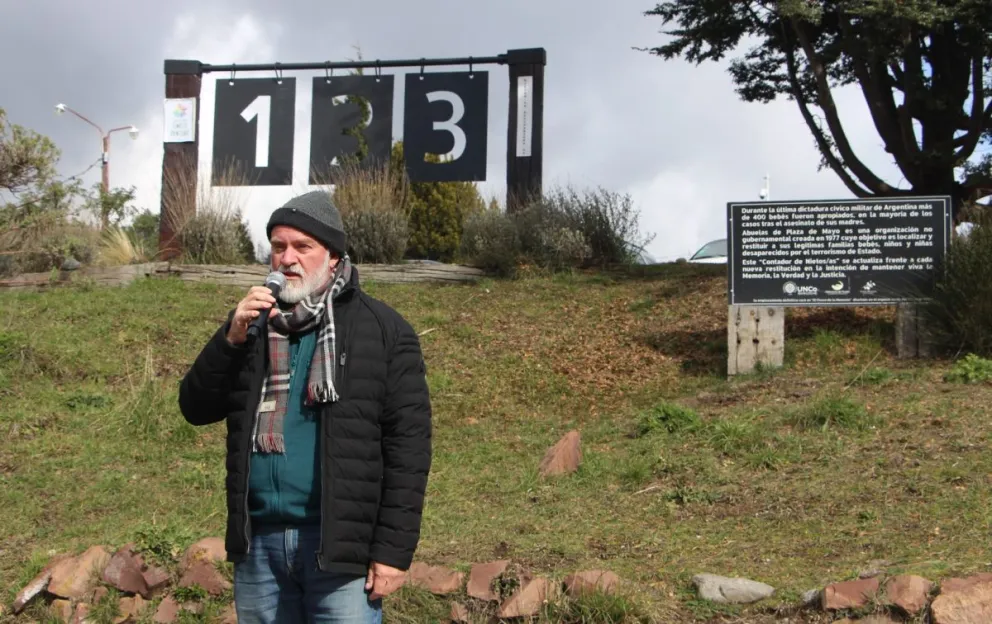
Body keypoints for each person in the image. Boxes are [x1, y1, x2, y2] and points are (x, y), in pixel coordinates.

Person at [178, 190, 432, 623]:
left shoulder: (382, 331)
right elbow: (195, 407)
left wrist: (393, 552)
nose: (287, 258)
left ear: (332, 256)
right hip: (259, 547)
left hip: (340, 550)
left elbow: (409, 449)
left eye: (302, 246)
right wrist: (230, 339)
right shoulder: (252, 327)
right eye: (278, 247)